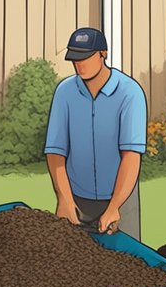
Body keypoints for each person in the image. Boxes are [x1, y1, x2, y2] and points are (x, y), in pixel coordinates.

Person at [43, 27, 147, 238]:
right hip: (76, 198)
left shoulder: (130, 93)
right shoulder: (65, 93)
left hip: (121, 199)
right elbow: (55, 153)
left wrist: (114, 206)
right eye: (75, 59)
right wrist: (64, 199)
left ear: (103, 54)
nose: (79, 65)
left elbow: (131, 156)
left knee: (127, 265)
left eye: (86, 57)